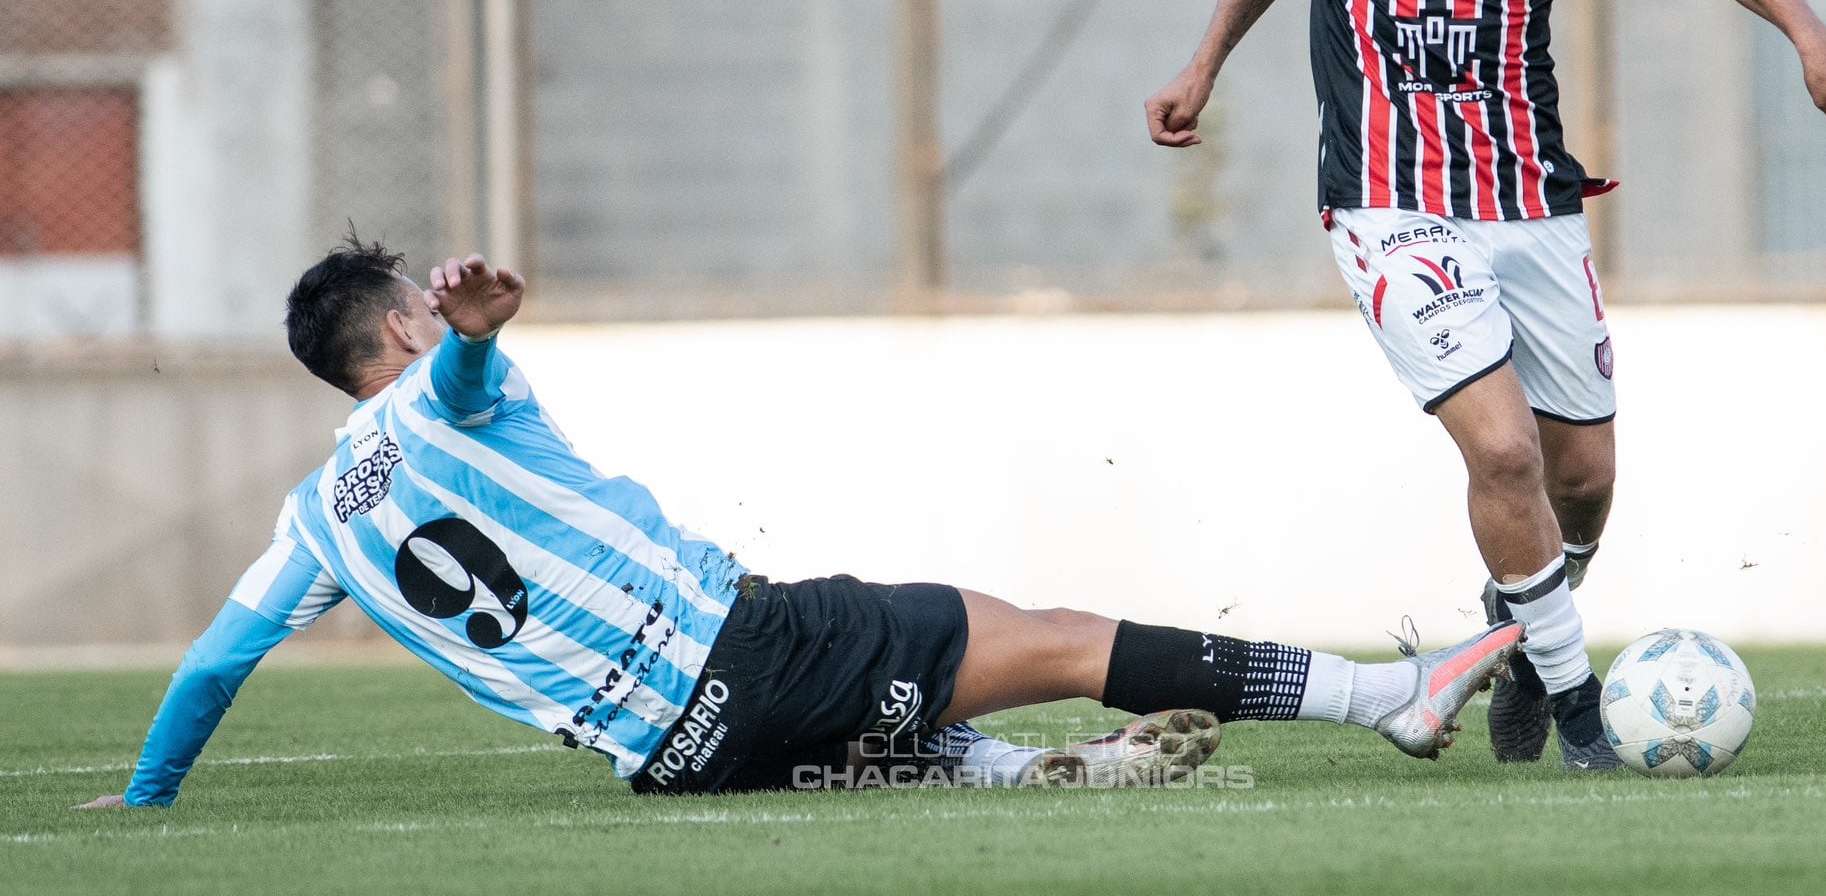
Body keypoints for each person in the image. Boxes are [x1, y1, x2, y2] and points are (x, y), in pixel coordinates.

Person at [1143, 0, 1826, 770]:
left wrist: (1812, 41)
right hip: (1386, 201)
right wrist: (1202, 63)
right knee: (1500, 453)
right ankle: (1577, 711)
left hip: (1528, 198)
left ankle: (1515, 629)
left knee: (1581, 479)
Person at [80, 238, 1523, 809]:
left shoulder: (308, 523)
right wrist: (476, 335)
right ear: (401, 322)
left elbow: (209, 670)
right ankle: (1387, 696)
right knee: (1061, 634)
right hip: (745, 655)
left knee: (896, 678)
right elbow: (454, 386)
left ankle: (995, 769)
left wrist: (144, 802)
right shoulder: (449, 388)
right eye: (427, 317)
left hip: (668, 761)